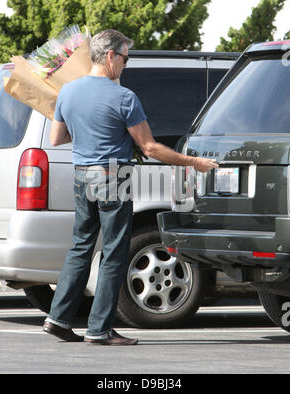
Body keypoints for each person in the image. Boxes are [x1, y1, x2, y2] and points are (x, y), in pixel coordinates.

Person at [43, 29, 218, 346]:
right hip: (113, 176)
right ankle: (99, 330)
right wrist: (195, 163)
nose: (126, 64)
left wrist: (89, 133)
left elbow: (57, 138)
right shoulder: (124, 97)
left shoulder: (68, 92)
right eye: (125, 57)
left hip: (82, 175)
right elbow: (150, 148)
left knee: (81, 247)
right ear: (110, 55)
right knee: (113, 253)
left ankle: (58, 318)